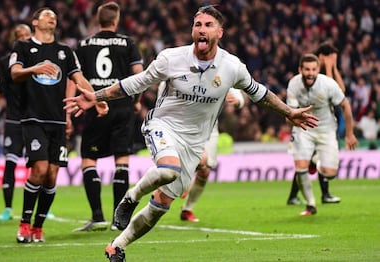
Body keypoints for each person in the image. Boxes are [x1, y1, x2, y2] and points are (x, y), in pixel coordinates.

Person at [64, 5, 318, 261]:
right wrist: (95, 97)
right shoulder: (171, 58)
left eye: (208, 25)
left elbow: (259, 94)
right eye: (198, 25)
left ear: (220, 32)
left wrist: (289, 112)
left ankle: (117, 246)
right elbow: (136, 82)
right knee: (167, 170)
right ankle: (130, 197)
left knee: (160, 205)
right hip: (162, 125)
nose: (201, 30)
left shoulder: (232, 67)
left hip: (195, 143)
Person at [10, 7, 108, 243]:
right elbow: (14, 73)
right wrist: (35, 68)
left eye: (54, 15)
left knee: (52, 177)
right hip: (33, 118)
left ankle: (38, 227)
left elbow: (79, 78)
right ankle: (24, 224)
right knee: (40, 170)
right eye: (46, 14)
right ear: (35, 22)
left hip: (57, 120)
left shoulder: (64, 51)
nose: (51, 17)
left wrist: (96, 98)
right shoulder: (23, 47)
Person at [72, 2, 144, 232]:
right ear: (116, 20)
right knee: (121, 160)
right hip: (122, 107)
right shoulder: (128, 43)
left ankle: (97, 216)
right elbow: (139, 76)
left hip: (95, 107)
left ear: (97, 20)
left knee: (88, 160)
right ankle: (118, 220)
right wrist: (136, 100)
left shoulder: (83, 45)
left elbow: (73, 77)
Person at [286, 53, 357, 216]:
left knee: (329, 173)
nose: (310, 73)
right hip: (303, 128)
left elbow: (345, 105)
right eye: (307, 69)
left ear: (318, 70)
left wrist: (350, 134)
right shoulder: (294, 84)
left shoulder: (328, 84)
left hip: (325, 129)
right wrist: (291, 121)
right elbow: (291, 111)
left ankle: (315, 161)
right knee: (300, 166)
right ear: (300, 70)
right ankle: (310, 205)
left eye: (313, 69)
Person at [0, 24, 32, 222]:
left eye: (26, 35)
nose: (22, 39)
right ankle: (8, 208)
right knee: (10, 164)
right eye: (19, 36)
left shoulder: (40, 58)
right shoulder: (6, 63)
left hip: (35, 120)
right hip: (13, 120)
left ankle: (40, 208)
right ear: (14, 39)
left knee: (39, 166)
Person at [180, 87, 244, 222]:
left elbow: (238, 94)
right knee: (200, 161)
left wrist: (237, 101)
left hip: (210, 127)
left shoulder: (220, 71)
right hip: (184, 125)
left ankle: (187, 209)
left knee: (205, 172)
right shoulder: (183, 70)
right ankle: (183, 180)